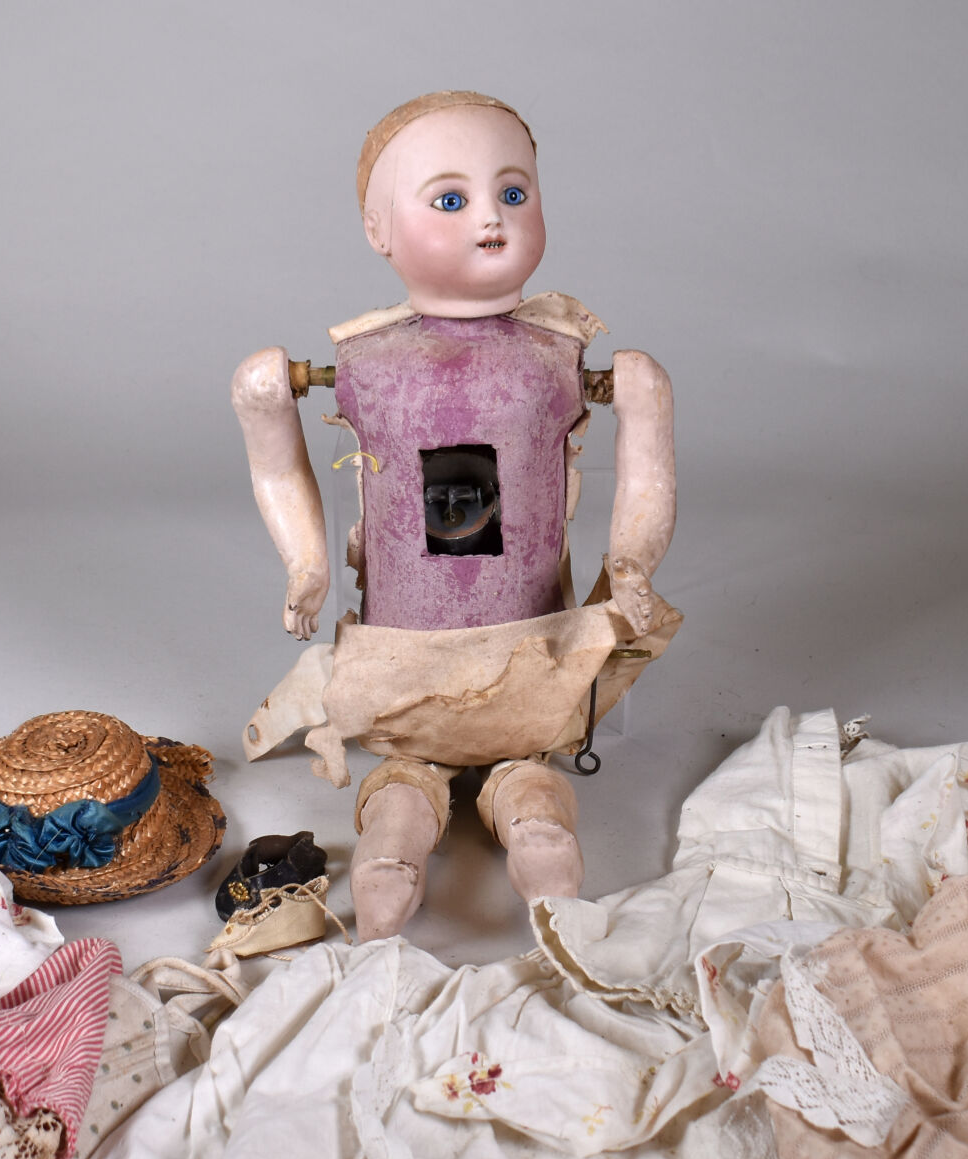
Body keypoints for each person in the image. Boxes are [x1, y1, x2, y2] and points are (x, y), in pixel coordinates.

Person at [231, 91, 677, 939]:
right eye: (449, 198)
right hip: (403, 664)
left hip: (529, 653)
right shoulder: (365, 361)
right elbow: (269, 435)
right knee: (406, 782)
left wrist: (632, 565)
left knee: (526, 778)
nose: (491, 219)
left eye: (513, 192)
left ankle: (525, 805)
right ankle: (406, 821)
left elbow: (647, 470)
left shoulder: (559, 354)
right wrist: (308, 565)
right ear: (378, 229)